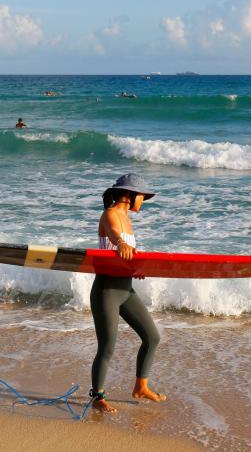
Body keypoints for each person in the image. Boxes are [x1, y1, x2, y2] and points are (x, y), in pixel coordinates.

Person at [90, 173, 166, 413]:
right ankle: (98, 397)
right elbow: (113, 234)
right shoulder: (110, 214)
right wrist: (121, 243)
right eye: (142, 196)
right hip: (107, 289)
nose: (143, 201)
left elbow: (124, 257)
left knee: (152, 337)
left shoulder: (128, 220)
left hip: (126, 288)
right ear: (131, 195)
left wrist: (134, 269)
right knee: (108, 346)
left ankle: (141, 386)